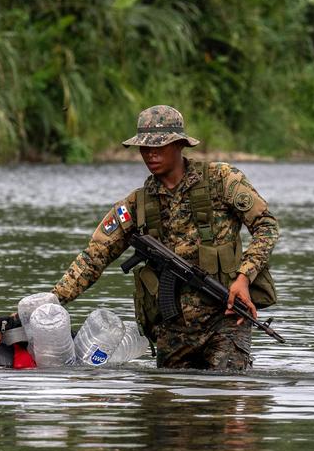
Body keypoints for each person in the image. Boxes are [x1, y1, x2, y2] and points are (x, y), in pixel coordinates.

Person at [50, 105, 279, 371]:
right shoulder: (137, 205)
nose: (150, 154)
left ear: (180, 144)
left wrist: (243, 278)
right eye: (145, 148)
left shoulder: (222, 180)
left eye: (159, 146)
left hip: (225, 317)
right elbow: (93, 258)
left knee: (225, 392)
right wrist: (50, 304)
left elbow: (267, 226)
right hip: (172, 329)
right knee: (167, 403)